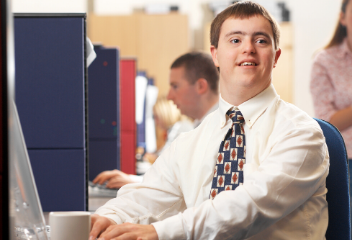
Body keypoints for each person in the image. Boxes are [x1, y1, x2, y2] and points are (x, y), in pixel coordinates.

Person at [90, 2, 329, 239]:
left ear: (275, 56)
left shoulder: (301, 132)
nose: (248, 48)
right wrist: (108, 218)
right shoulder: (191, 140)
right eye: (235, 40)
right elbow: (147, 196)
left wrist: (159, 231)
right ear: (215, 55)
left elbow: (248, 204)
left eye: (261, 40)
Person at [92, 51, 220, 188]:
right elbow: (176, 178)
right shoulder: (201, 127)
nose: (170, 96)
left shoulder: (221, 129)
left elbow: (189, 186)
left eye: (175, 86)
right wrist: (135, 181)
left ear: (201, 86)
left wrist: (135, 182)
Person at [310, 0, 352, 239]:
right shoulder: (324, 61)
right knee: (347, 233)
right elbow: (327, 124)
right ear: (343, 17)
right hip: (346, 164)